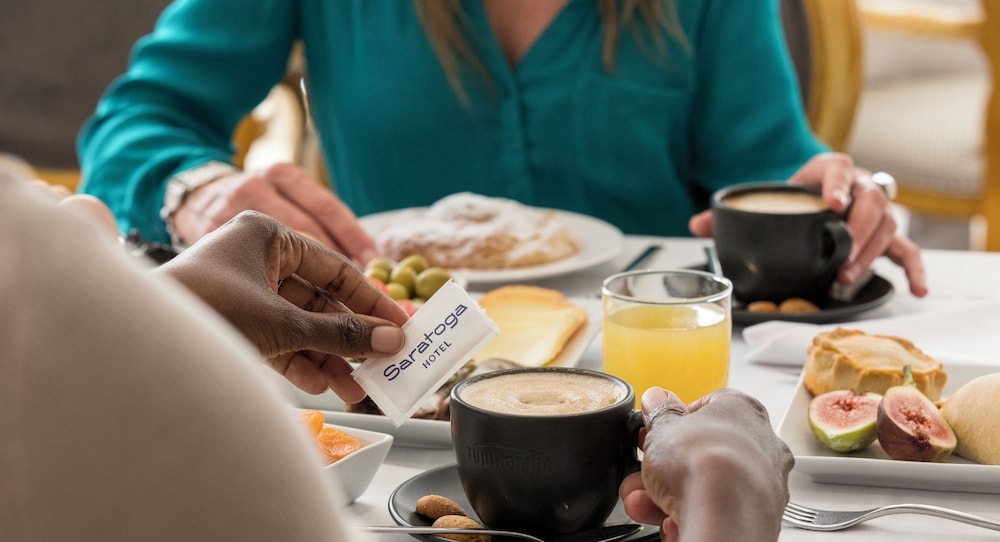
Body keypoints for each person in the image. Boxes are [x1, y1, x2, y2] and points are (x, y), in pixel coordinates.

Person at [2, 168, 792, 542]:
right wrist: (732, 505)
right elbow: (147, 109)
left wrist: (156, 303)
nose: (87, 221)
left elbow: (772, 148)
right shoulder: (42, 312)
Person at [77, 0, 927, 297]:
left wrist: (837, 201)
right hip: (386, 377)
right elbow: (140, 119)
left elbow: (771, 170)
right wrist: (198, 189)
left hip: (651, 389)